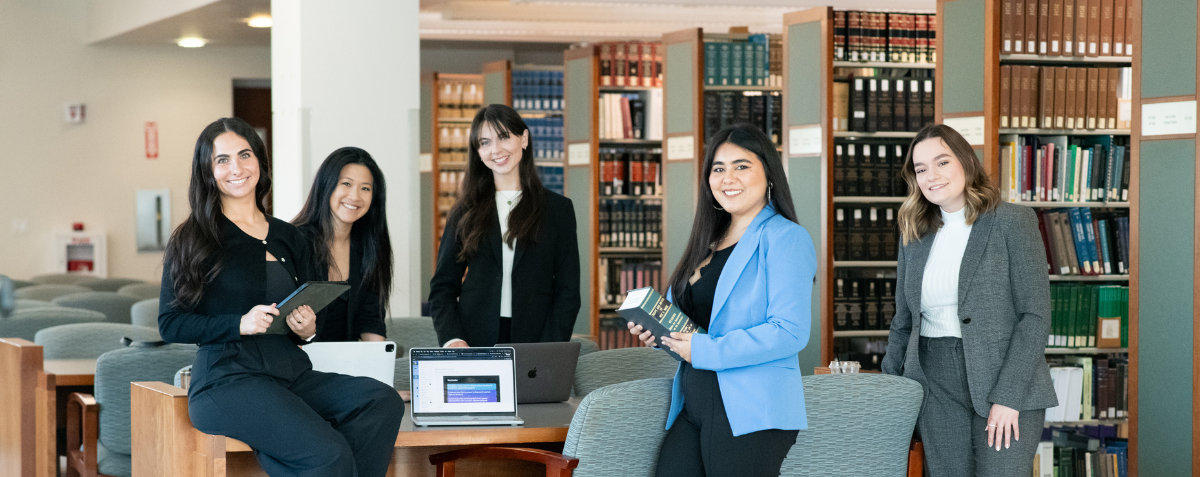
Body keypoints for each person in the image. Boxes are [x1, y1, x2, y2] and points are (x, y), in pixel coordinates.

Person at [159, 118, 403, 477]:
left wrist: (305, 329)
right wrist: (239, 323)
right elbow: (171, 324)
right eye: (222, 160)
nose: (237, 168)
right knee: (328, 454)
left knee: (381, 402)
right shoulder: (193, 237)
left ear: (259, 161)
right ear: (208, 172)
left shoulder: (291, 236)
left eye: (244, 155)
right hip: (228, 380)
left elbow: (301, 318)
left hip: (290, 373)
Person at [628, 124, 816, 477]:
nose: (728, 177)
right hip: (694, 403)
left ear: (769, 174)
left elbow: (789, 332)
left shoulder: (786, 238)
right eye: (718, 168)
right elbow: (692, 325)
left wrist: (702, 350)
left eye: (741, 166)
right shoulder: (707, 240)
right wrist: (660, 333)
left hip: (751, 409)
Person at [881, 124, 1058, 477]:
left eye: (942, 162)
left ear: (965, 162)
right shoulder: (913, 232)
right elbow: (903, 322)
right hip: (934, 382)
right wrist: (888, 389)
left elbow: (1035, 316)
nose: (932, 176)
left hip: (1005, 380)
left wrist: (1008, 396)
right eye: (921, 169)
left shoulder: (1012, 222)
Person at [429, 104, 580, 348]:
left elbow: (568, 291)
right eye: (485, 142)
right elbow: (442, 287)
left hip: (537, 340)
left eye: (503, 137)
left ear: (524, 139)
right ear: (477, 152)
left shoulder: (558, 210)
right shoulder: (464, 211)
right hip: (473, 340)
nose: (495, 150)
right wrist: (453, 340)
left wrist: (550, 346)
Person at [293, 147, 392, 342]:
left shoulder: (369, 248)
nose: (355, 196)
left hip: (346, 363)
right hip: (297, 360)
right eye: (346, 184)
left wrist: (380, 364)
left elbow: (371, 320)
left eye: (365, 188)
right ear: (326, 186)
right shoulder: (295, 241)